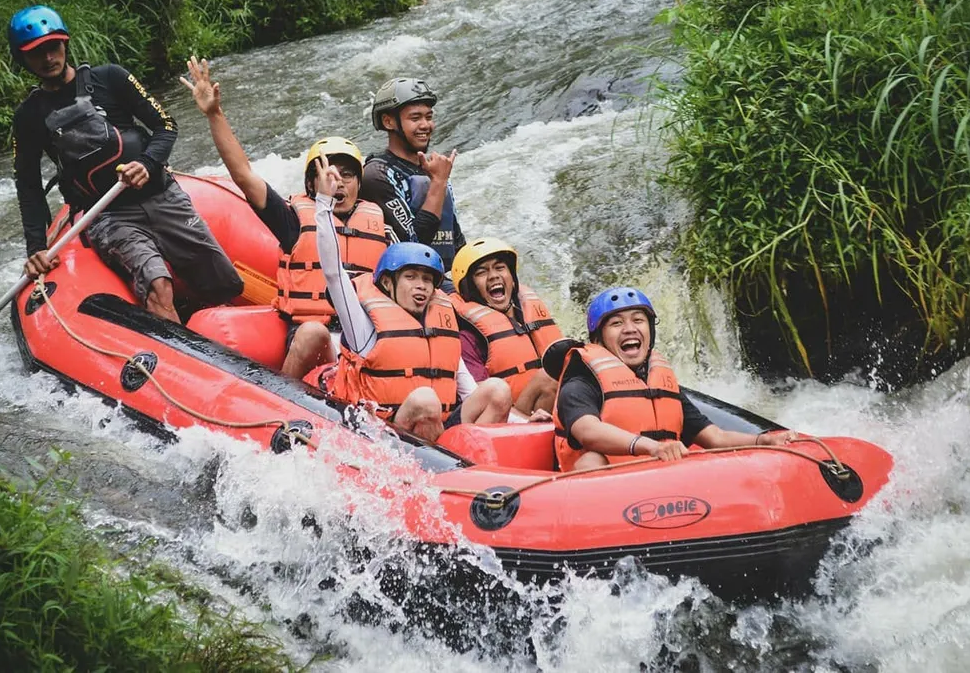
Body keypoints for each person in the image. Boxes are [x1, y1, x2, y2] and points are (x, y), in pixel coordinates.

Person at [9, 6, 242, 323]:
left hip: (162, 195)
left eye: (53, 46)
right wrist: (36, 247)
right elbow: (29, 187)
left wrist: (147, 163)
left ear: (65, 44)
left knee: (224, 284)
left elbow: (166, 125)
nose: (48, 58)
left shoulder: (111, 78)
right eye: (36, 53)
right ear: (22, 59)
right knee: (158, 285)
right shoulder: (28, 117)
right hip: (107, 215)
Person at [179, 56, 388, 378]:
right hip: (313, 332)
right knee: (312, 333)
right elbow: (244, 175)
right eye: (328, 173)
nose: (339, 181)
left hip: (365, 334)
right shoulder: (292, 220)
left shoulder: (378, 224)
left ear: (360, 184)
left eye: (348, 175)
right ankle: (284, 402)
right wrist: (215, 114)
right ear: (310, 184)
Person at [309, 154, 511, 442]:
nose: (422, 287)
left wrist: (522, 420)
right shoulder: (363, 326)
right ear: (388, 283)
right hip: (383, 434)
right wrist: (323, 204)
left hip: (440, 442)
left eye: (428, 280)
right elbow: (333, 273)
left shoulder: (440, 324)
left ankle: (471, 471)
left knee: (497, 390)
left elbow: (470, 393)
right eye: (411, 277)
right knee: (426, 399)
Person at [551, 287, 799, 471]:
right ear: (598, 339)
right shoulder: (580, 380)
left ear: (650, 330)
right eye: (616, 323)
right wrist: (651, 446)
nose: (629, 329)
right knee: (590, 460)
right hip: (609, 487)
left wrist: (762, 439)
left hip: (663, 485)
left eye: (638, 320)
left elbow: (715, 438)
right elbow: (587, 431)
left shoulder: (660, 383)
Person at [449, 238, 562, 421]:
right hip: (503, 421)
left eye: (500, 268)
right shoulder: (468, 338)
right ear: (469, 287)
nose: (493, 276)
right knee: (547, 378)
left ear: (512, 278)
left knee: (557, 373)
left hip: (544, 415)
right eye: (481, 272)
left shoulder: (532, 315)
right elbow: (480, 400)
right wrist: (525, 421)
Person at [361, 78, 465, 270]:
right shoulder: (376, 175)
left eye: (429, 117)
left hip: (443, 277)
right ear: (388, 121)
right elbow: (413, 243)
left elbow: (457, 242)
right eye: (415, 118)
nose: (426, 125)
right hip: (407, 281)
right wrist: (439, 183)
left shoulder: (432, 171)